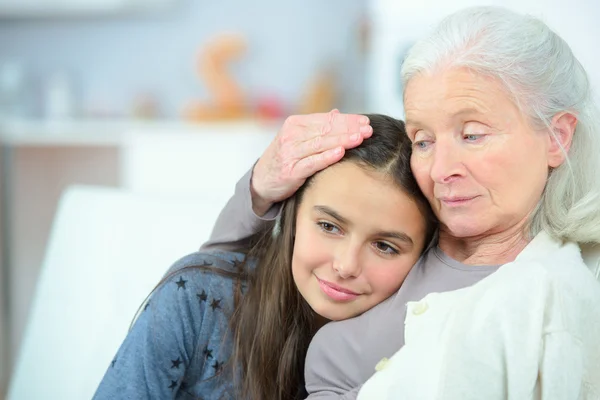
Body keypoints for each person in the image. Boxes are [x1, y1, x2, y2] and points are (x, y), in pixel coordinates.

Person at [203, 6, 600, 399]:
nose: (441, 170)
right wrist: (260, 187)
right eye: (423, 140)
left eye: (473, 134)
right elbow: (212, 285)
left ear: (557, 137)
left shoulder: (553, 294)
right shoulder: (416, 224)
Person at [93, 114, 437, 399]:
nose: (346, 266)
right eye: (329, 227)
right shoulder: (196, 299)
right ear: (293, 216)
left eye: (385, 247)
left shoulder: (424, 350)